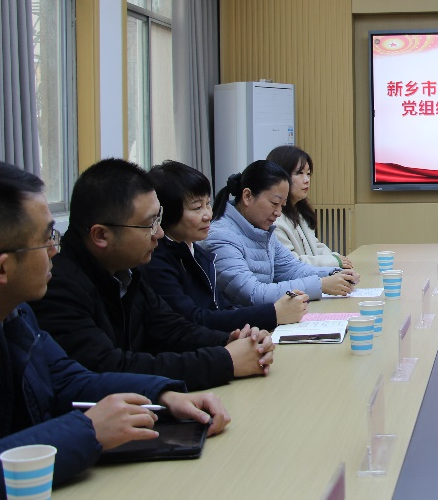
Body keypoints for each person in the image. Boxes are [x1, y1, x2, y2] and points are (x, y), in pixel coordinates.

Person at [0, 159, 229, 500]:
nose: (55, 250)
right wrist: (88, 431)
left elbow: (66, 378)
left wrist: (160, 396)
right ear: (2, 268)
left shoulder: (12, 311)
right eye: (47, 239)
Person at [31, 159, 275, 392]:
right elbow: (109, 368)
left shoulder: (128, 271)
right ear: (101, 235)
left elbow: (171, 329)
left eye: (158, 219)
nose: (158, 233)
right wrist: (225, 360)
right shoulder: (58, 289)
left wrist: (231, 340)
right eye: (149, 224)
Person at [146, 160, 308, 332]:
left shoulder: (198, 254)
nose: (208, 215)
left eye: (208, 204)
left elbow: (221, 308)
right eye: (197, 207)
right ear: (166, 212)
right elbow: (193, 321)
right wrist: (273, 314)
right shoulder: (157, 261)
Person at [205, 160, 360, 305]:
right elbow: (253, 293)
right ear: (247, 196)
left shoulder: (262, 230)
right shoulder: (221, 236)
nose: (278, 213)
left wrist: (335, 274)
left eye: (282, 205)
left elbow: (292, 269)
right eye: (274, 203)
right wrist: (320, 284)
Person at [266, 145, 353, 269]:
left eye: (308, 174)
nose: (307, 180)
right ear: (280, 176)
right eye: (299, 173)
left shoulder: (299, 212)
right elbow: (289, 263)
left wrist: (337, 258)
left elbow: (315, 247)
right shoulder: (273, 219)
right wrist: (333, 261)